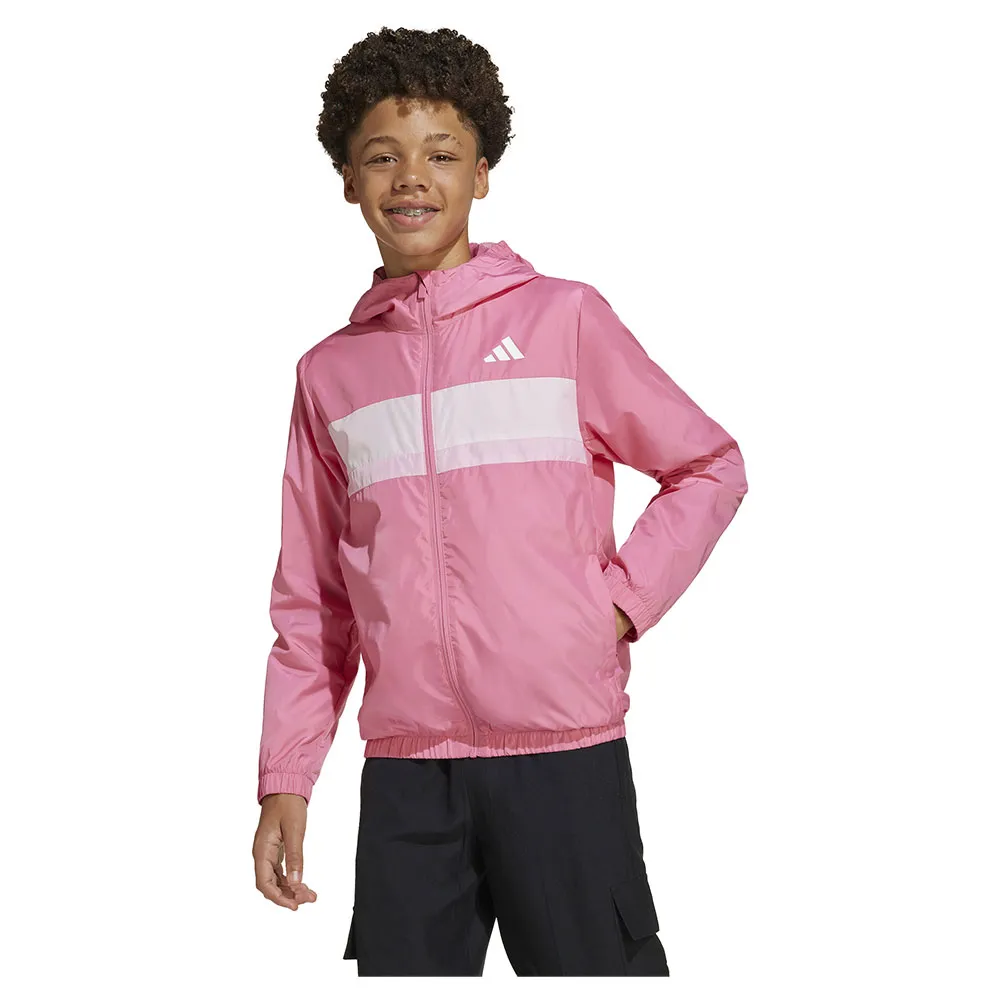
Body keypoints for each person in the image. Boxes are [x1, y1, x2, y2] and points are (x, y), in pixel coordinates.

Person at [251, 25, 748, 977]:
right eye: (382, 156)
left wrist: (614, 605)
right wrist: (288, 775)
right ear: (347, 179)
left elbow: (708, 465)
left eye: (442, 154)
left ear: (482, 174)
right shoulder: (330, 375)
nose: (412, 178)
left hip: (564, 752)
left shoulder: (563, 318)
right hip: (408, 774)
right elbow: (312, 601)